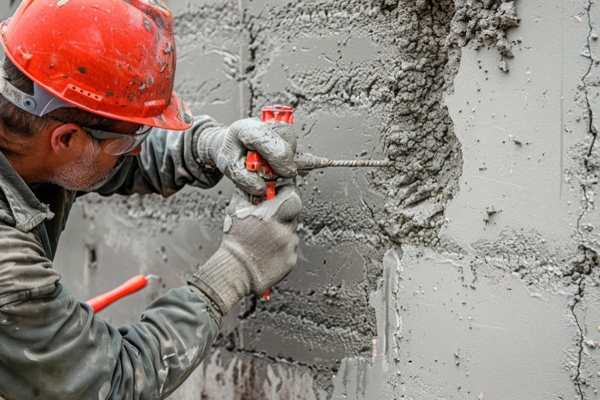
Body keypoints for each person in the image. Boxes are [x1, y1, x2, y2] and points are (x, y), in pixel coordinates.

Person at [0, 1, 302, 398]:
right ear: (66, 139)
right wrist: (231, 274)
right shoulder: (7, 267)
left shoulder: (31, 128)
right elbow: (115, 381)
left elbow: (105, 159)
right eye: (131, 140)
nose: (138, 151)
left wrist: (206, 145)